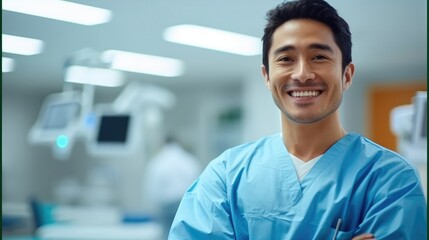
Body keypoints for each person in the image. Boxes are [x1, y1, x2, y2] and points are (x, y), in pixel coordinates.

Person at [168, 0, 427, 239]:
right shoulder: (225, 177)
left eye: (319, 57)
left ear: (347, 75)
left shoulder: (390, 180)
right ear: (267, 76)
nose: (302, 74)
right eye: (286, 59)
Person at [143, 136, 202, 240]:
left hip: (165, 203)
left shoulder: (157, 161)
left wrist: (153, 207)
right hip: (184, 202)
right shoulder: (188, 159)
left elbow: (152, 186)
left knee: (166, 233)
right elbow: (197, 181)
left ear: (163, 144)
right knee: (185, 234)